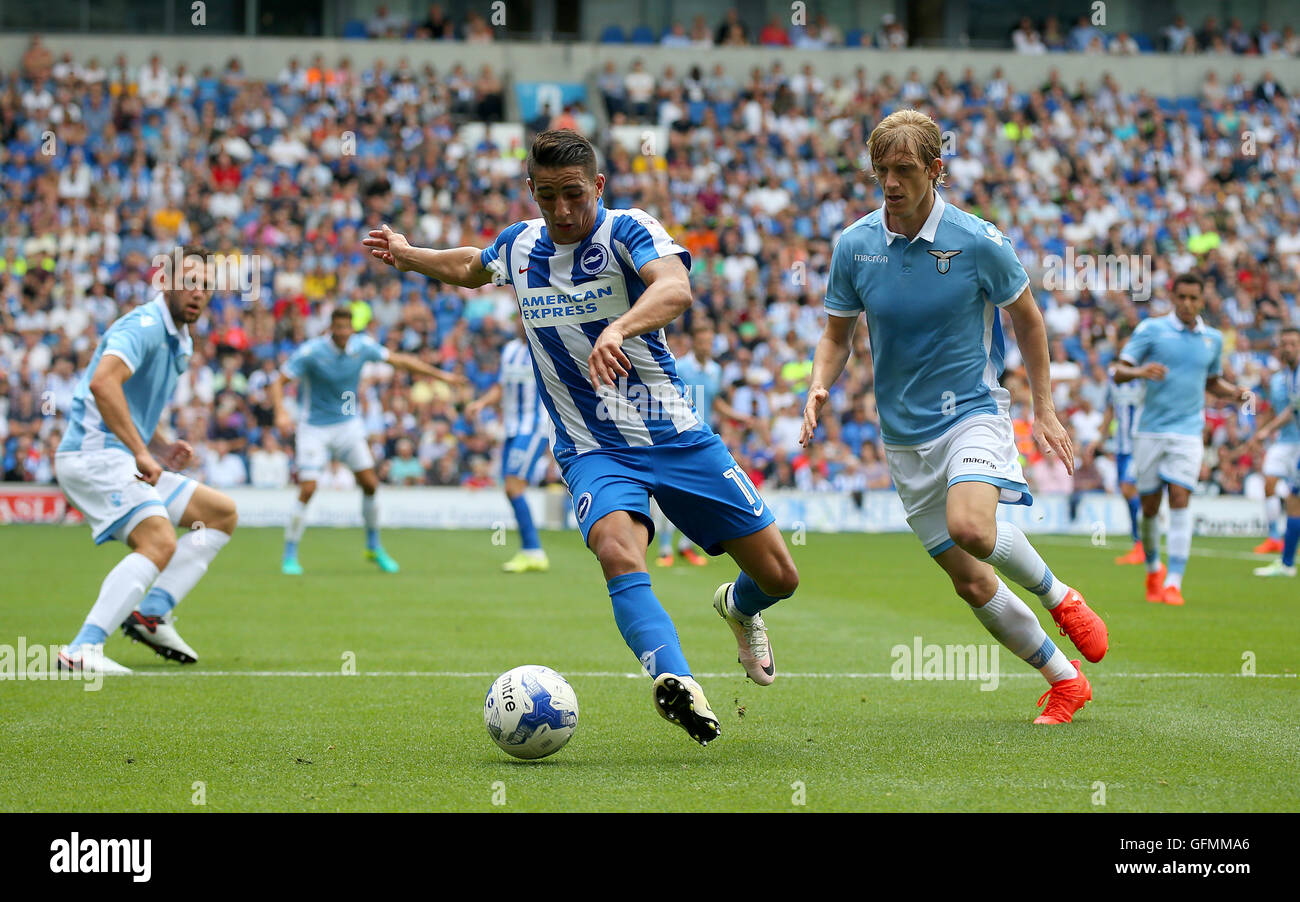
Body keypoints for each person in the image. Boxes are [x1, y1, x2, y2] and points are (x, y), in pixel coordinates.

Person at [364, 129, 800, 746]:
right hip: (590, 447)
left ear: (597, 185)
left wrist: (619, 328)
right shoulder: (519, 246)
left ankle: (740, 606)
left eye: (573, 195)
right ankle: (676, 682)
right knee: (618, 551)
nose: (562, 211)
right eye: (547, 197)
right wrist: (410, 256)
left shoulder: (628, 230)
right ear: (531, 191)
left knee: (781, 576)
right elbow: (469, 266)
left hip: (674, 435)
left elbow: (675, 287)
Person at [801, 109, 1107, 725]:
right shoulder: (855, 246)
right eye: (881, 170)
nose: (890, 182)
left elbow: (1028, 319)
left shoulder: (978, 241)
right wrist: (817, 387)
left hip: (972, 411)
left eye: (905, 169)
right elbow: (837, 335)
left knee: (972, 527)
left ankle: (1060, 596)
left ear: (935, 169)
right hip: (903, 436)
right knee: (969, 582)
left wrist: (1042, 407)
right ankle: (1064, 680)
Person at [56, 248, 238, 673]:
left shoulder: (181, 338)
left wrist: (158, 445)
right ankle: (84, 647)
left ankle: (152, 613)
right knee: (159, 541)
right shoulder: (144, 324)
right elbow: (104, 384)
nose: (198, 294)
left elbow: (132, 407)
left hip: (121, 454)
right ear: (166, 282)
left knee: (219, 514)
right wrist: (141, 451)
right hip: (94, 454)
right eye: (190, 282)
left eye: (206, 286)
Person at [270, 305, 463, 575]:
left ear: (351, 328)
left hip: (348, 425)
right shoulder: (312, 352)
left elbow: (400, 361)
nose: (342, 332)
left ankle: (373, 546)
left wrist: (441, 375)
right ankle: (290, 553)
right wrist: (280, 412)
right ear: (330, 328)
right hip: (314, 428)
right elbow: (278, 381)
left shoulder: (362, 346)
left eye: (346, 328)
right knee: (308, 488)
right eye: (337, 328)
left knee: (371, 484)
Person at [1112, 273, 1250, 604]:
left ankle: (1174, 581)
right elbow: (1118, 371)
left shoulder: (1212, 339)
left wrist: (1235, 393)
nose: (1188, 304)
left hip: (1188, 431)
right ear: (1173, 298)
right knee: (1149, 506)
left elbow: (1211, 381)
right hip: (1149, 431)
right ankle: (1152, 569)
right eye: (1183, 297)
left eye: (1194, 298)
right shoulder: (1151, 330)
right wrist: (1139, 372)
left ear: (1202, 301)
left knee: (1179, 496)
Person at [655, 318, 757, 567]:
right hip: (678, 440)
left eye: (710, 341)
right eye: (702, 341)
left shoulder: (715, 370)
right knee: (673, 495)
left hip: (703, 440)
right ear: (693, 343)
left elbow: (715, 402)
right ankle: (665, 548)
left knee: (699, 496)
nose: (706, 346)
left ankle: (685, 546)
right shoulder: (680, 368)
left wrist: (738, 417)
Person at [465, 317, 554, 573]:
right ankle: (530, 550)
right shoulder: (510, 350)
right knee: (510, 487)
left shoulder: (545, 347)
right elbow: (502, 387)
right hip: (512, 429)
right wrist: (481, 403)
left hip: (534, 428)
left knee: (514, 486)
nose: (521, 321)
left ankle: (533, 551)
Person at [1250, 327, 1300, 577]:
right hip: (1289, 442)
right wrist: (1265, 430)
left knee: (1294, 501)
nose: (1288, 348)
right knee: (1291, 498)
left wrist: (1266, 430)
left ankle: (1287, 563)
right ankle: (1285, 558)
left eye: (1293, 343)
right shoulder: (1287, 377)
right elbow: (1290, 410)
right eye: (1285, 344)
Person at [1101, 372, 1146, 563]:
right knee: (1126, 493)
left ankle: (1142, 544)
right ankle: (1139, 543)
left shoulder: (1143, 378)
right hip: (1121, 446)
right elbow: (1110, 409)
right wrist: (1101, 436)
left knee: (1129, 489)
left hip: (1139, 444)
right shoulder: (1113, 379)